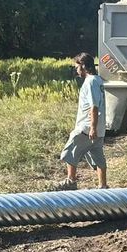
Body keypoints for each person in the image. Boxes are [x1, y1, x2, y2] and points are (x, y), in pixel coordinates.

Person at [54, 52, 108, 190]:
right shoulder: (98, 80)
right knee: (98, 157)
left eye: (76, 67)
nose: (76, 70)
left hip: (86, 128)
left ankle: (71, 181)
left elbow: (94, 106)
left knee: (70, 151)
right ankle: (103, 185)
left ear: (83, 66)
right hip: (99, 129)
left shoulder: (90, 82)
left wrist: (92, 127)